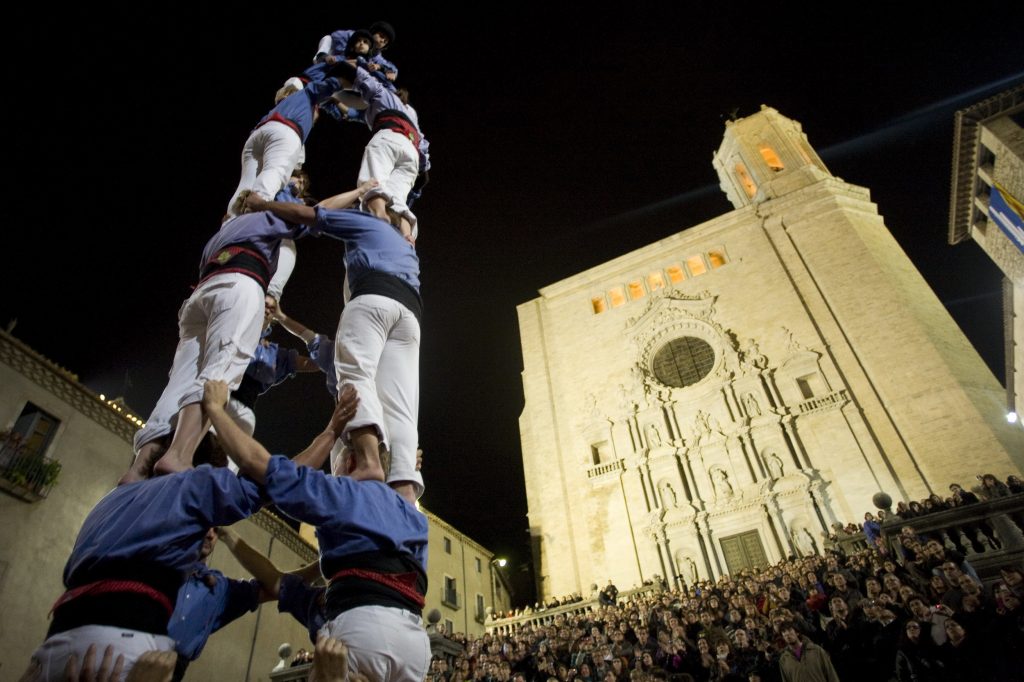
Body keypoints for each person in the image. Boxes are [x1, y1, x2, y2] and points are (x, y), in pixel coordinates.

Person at [125, 181, 375, 483]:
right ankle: (178, 455)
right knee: (221, 370)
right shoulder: (267, 217)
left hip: (200, 294)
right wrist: (357, 194)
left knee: (179, 381)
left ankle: (139, 466)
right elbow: (318, 213)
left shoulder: (224, 232)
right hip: (238, 286)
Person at [202, 379, 430, 681]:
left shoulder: (344, 494)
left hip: (360, 633)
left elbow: (257, 463)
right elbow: (277, 581)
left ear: (349, 461)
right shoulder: (410, 517)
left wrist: (216, 410)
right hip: (416, 648)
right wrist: (230, 536)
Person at [29, 443, 263, 681]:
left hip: (55, 645)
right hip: (124, 652)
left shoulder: (111, 501)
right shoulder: (191, 489)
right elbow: (264, 484)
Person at [245, 190, 423, 498]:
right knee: (402, 405)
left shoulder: (366, 223)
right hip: (410, 313)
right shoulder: (406, 246)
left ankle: (368, 463)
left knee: (354, 375)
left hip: (372, 298)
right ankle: (405, 487)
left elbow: (312, 213)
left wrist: (263, 204)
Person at [330, 59, 429, 241]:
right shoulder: (411, 112)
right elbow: (424, 145)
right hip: (412, 152)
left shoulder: (383, 93)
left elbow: (363, 80)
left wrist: (338, 66)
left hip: (389, 137)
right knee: (398, 198)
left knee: (374, 182)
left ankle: (379, 216)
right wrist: (422, 170)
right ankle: (407, 234)